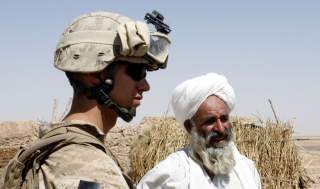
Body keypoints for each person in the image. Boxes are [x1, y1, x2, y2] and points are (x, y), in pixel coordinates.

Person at [2, 11, 171, 189]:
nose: (145, 86)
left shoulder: (49, 147)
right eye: (137, 72)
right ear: (94, 75)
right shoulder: (94, 172)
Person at [137, 73, 261, 189]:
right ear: (189, 127)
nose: (221, 128)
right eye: (210, 121)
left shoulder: (247, 170)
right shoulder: (170, 175)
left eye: (224, 119)